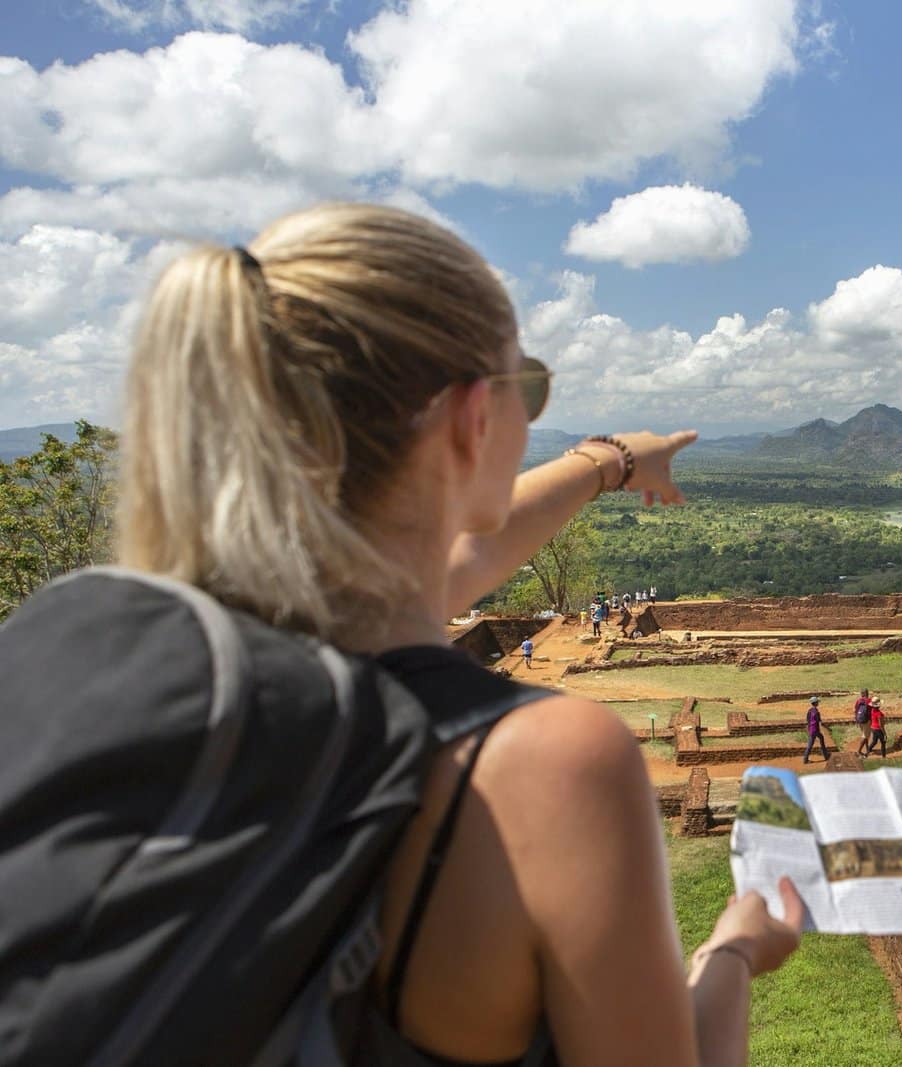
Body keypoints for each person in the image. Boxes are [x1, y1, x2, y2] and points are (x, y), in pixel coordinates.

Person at [72, 203, 804, 1064]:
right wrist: (734, 953)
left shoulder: (90, 642)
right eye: (527, 386)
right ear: (470, 419)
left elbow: (451, 555)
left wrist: (612, 461)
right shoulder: (547, 765)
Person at [802, 696, 830, 764]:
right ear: (815, 703)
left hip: (811, 728)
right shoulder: (816, 712)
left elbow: (808, 720)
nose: (818, 703)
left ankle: (825, 755)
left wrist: (809, 727)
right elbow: (819, 721)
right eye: (817, 702)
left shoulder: (810, 710)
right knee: (810, 744)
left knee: (820, 738)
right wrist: (828, 728)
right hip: (815, 730)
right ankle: (805, 759)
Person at [852, 688, 873, 756]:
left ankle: (867, 748)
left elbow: (855, 710)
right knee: (865, 736)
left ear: (862, 693)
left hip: (860, 719)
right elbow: (872, 711)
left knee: (865, 734)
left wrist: (856, 719)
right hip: (867, 720)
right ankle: (859, 751)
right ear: (867, 693)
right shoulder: (869, 700)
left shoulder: (858, 701)